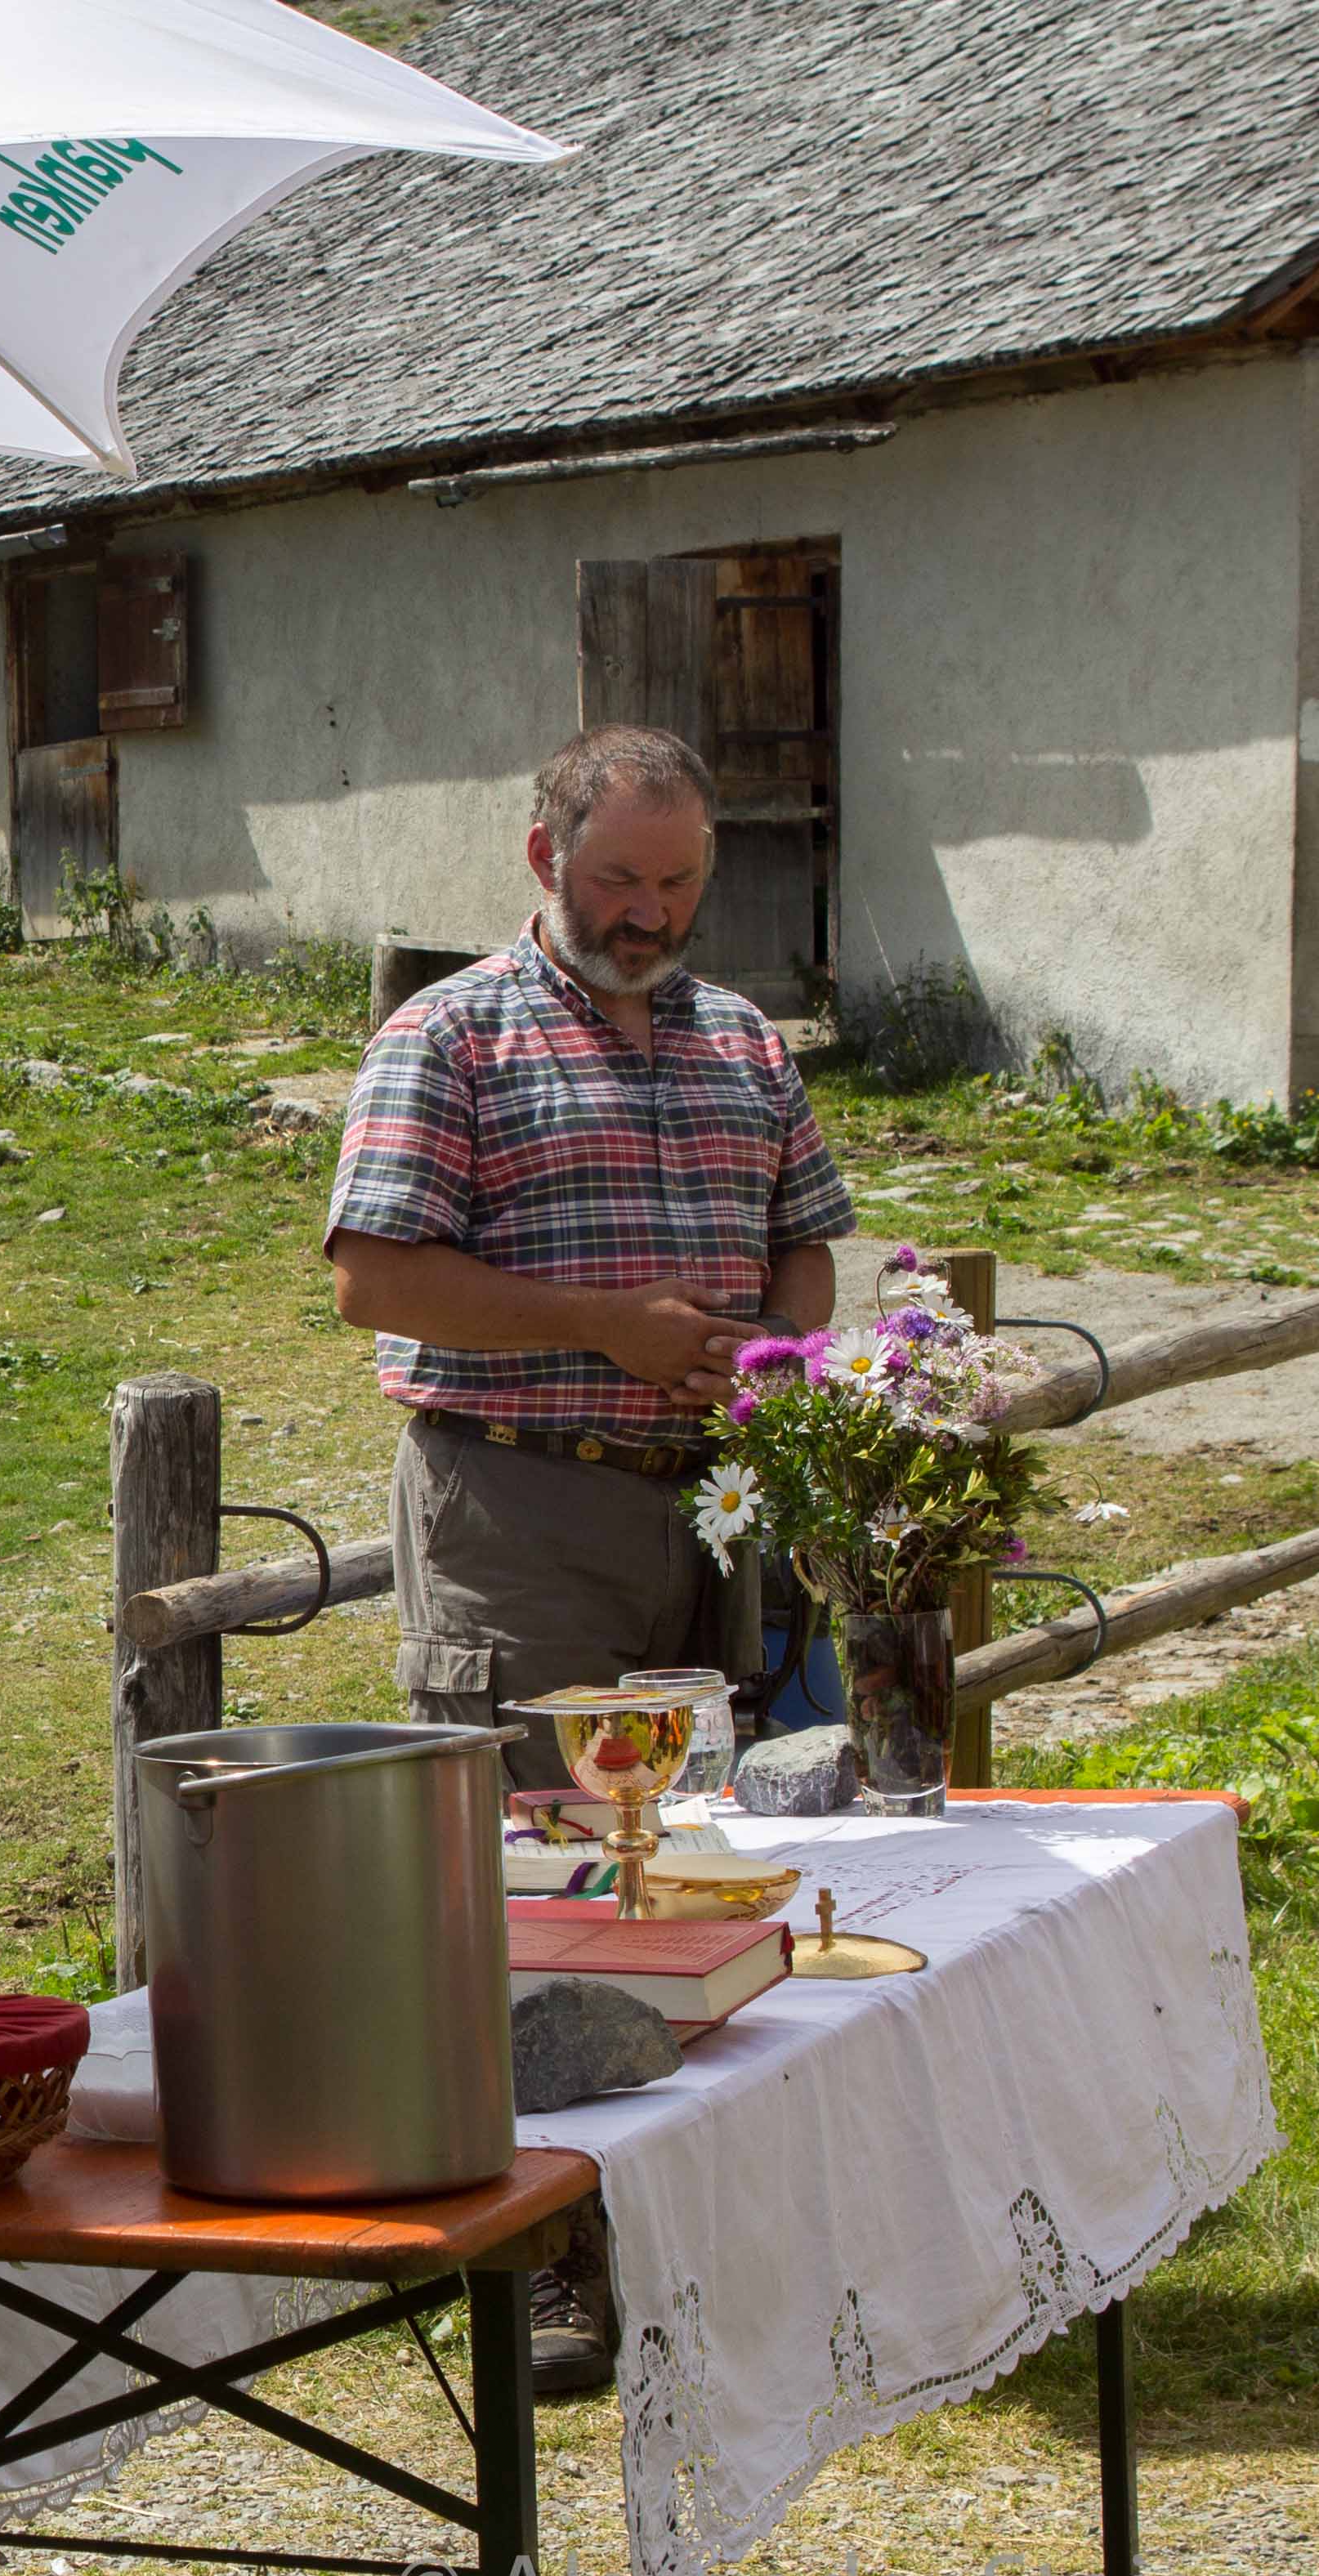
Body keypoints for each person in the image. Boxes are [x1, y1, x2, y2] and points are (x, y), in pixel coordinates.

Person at [323, 724, 853, 2394]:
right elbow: (375, 1278)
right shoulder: (451, 1037)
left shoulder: (743, 1039)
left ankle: (712, 2228)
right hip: (525, 1514)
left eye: (680, 882)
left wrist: (769, 1353)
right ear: (544, 857)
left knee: (708, 1864)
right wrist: (606, 1331)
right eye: (621, 877)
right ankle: (550, 2265)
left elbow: (806, 1246)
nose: (650, 912)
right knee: (545, 1882)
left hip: (709, 1514)